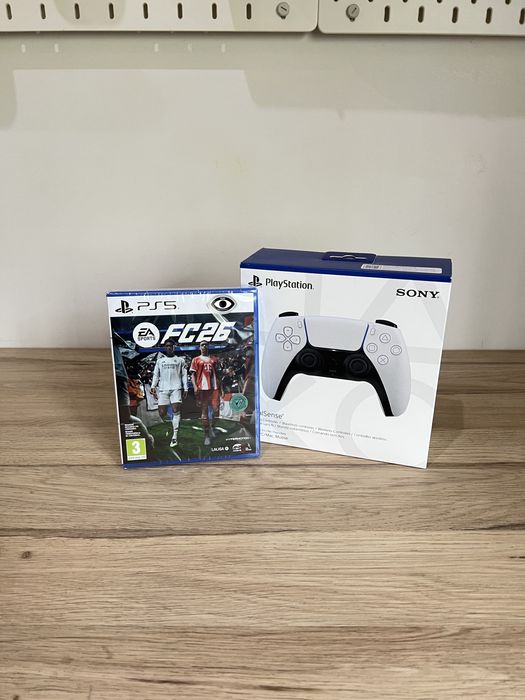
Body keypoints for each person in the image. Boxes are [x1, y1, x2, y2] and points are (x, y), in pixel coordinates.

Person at [150, 339, 188, 448]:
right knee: (162, 413)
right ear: (165, 347)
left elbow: (184, 375)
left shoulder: (180, 360)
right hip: (163, 389)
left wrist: (185, 388)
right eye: (167, 346)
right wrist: (153, 386)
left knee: (176, 410)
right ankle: (171, 425)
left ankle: (174, 437)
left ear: (174, 347)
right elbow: (156, 375)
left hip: (176, 388)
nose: (169, 347)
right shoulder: (160, 361)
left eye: (171, 345)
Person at [190, 341, 222, 446]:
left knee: (216, 410)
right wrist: (195, 387)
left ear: (208, 347)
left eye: (206, 344)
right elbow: (192, 375)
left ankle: (212, 427)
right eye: (202, 345)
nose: (204, 346)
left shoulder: (214, 359)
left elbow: (218, 374)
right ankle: (207, 436)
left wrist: (221, 388)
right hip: (202, 388)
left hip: (214, 388)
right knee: (204, 411)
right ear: (199, 347)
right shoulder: (195, 359)